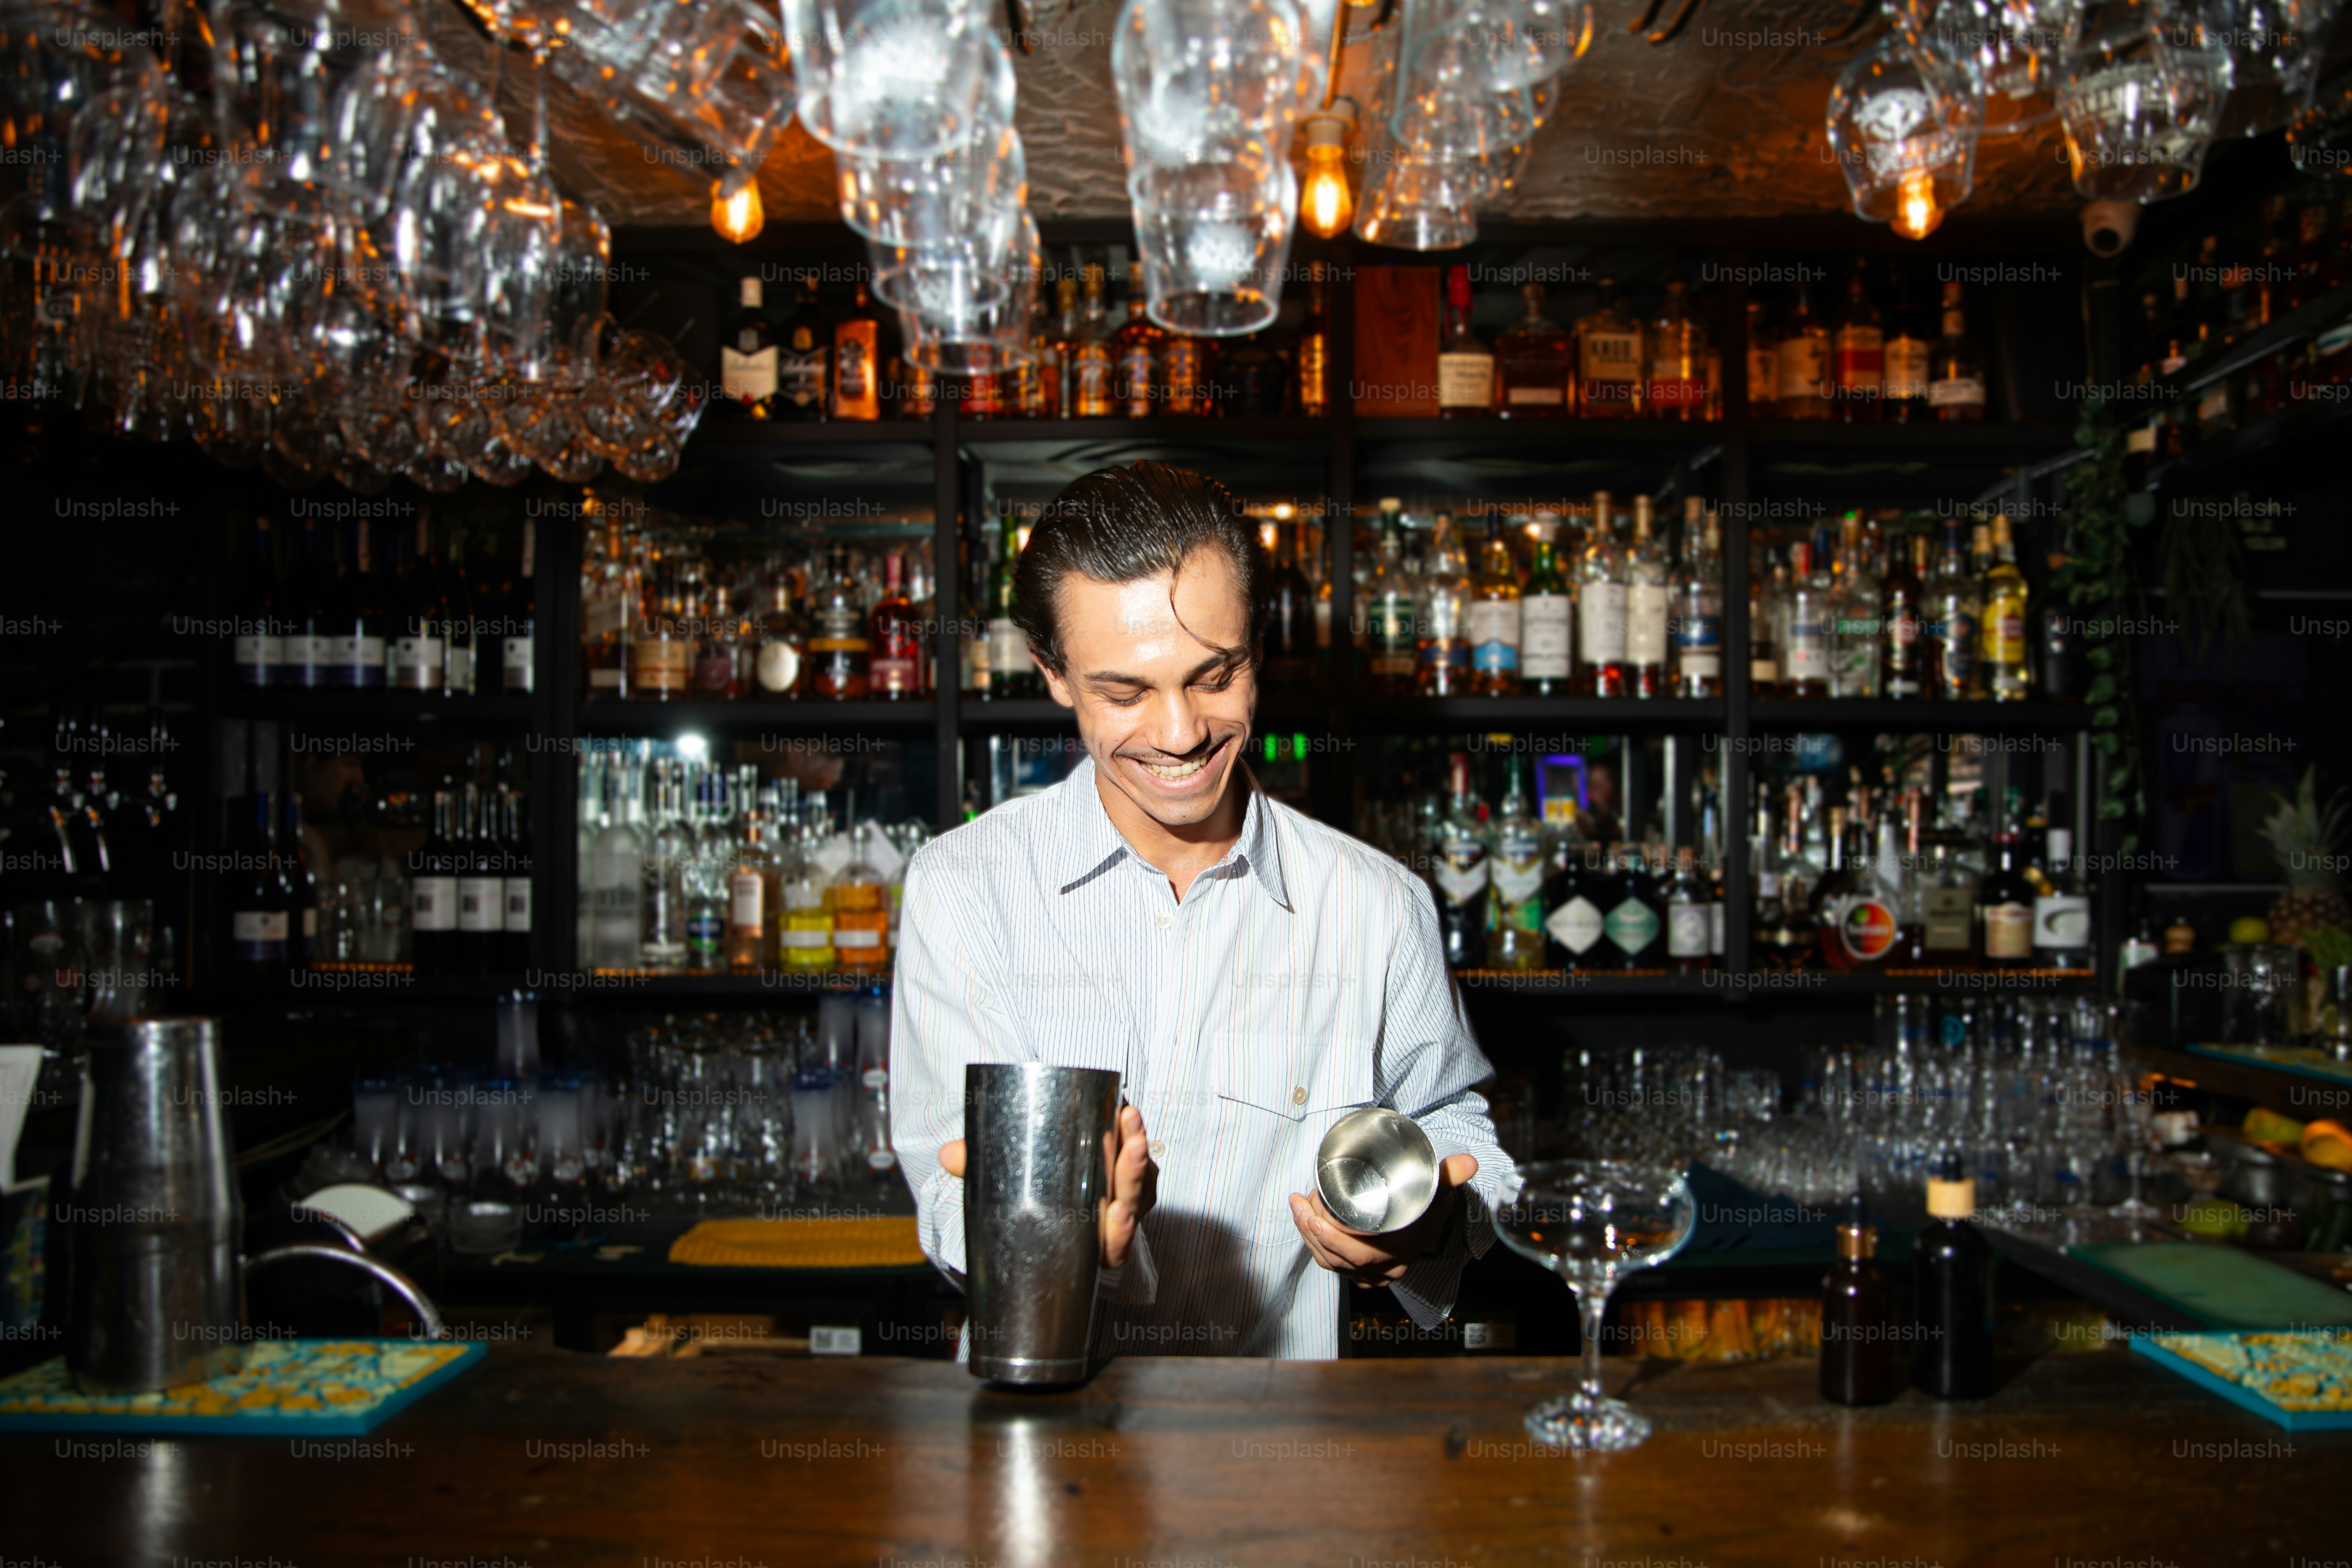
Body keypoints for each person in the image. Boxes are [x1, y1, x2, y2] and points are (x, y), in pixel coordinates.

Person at [890, 461, 1510, 1358]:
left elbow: (1453, 1128)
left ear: (1257, 646)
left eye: (1215, 676)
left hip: (1277, 1458)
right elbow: (947, 1175)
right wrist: (1052, 1242)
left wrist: (1426, 1228)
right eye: (1124, 692)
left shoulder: (1376, 903)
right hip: (1041, 1432)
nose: (1181, 734)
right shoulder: (964, 886)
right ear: (1053, 674)